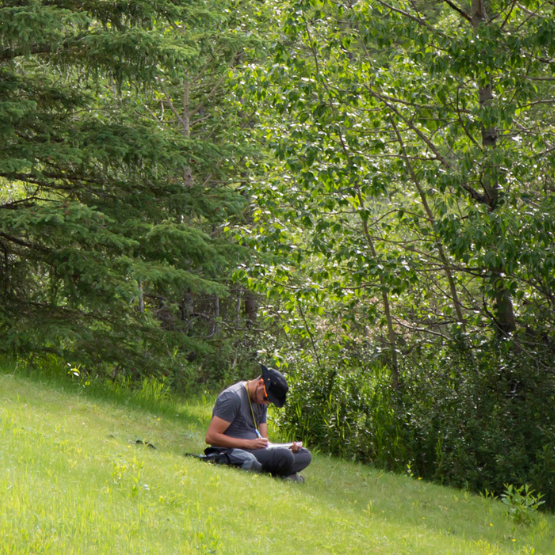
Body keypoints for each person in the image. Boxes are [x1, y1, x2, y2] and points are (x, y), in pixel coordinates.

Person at [205, 364, 311, 481]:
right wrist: (248, 443)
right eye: (266, 397)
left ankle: (275, 471)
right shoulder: (233, 397)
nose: (266, 402)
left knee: (304, 455)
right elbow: (211, 437)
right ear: (260, 383)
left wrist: (289, 448)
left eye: (270, 401)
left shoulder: (260, 402)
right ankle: (284, 475)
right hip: (234, 451)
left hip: (255, 451)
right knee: (285, 457)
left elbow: (266, 442)